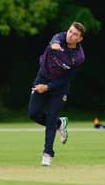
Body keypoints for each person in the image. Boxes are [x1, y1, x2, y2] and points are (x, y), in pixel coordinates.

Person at [28, 22, 86, 166]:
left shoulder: (79, 57)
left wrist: (47, 88)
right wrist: (54, 46)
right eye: (70, 31)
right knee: (33, 113)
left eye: (75, 34)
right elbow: (55, 40)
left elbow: (66, 79)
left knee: (51, 116)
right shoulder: (58, 38)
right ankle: (60, 123)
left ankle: (47, 154)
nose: (70, 35)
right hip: (42, 77)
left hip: (59, 87)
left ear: (80, 39)